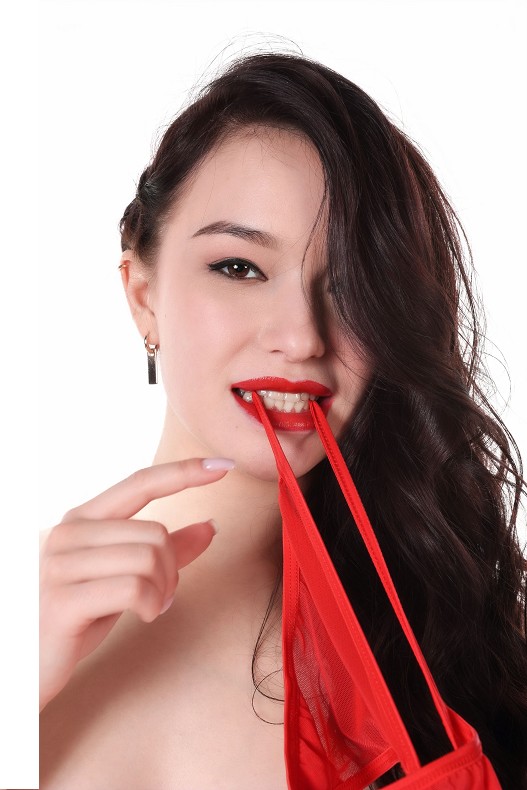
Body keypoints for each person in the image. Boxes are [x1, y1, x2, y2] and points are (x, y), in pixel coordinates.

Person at [39, 52, 527, 789]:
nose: (300, 337)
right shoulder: (27, 626)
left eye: (351, 286)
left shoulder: (456, 652)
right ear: (142, 295)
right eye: (239, 267)